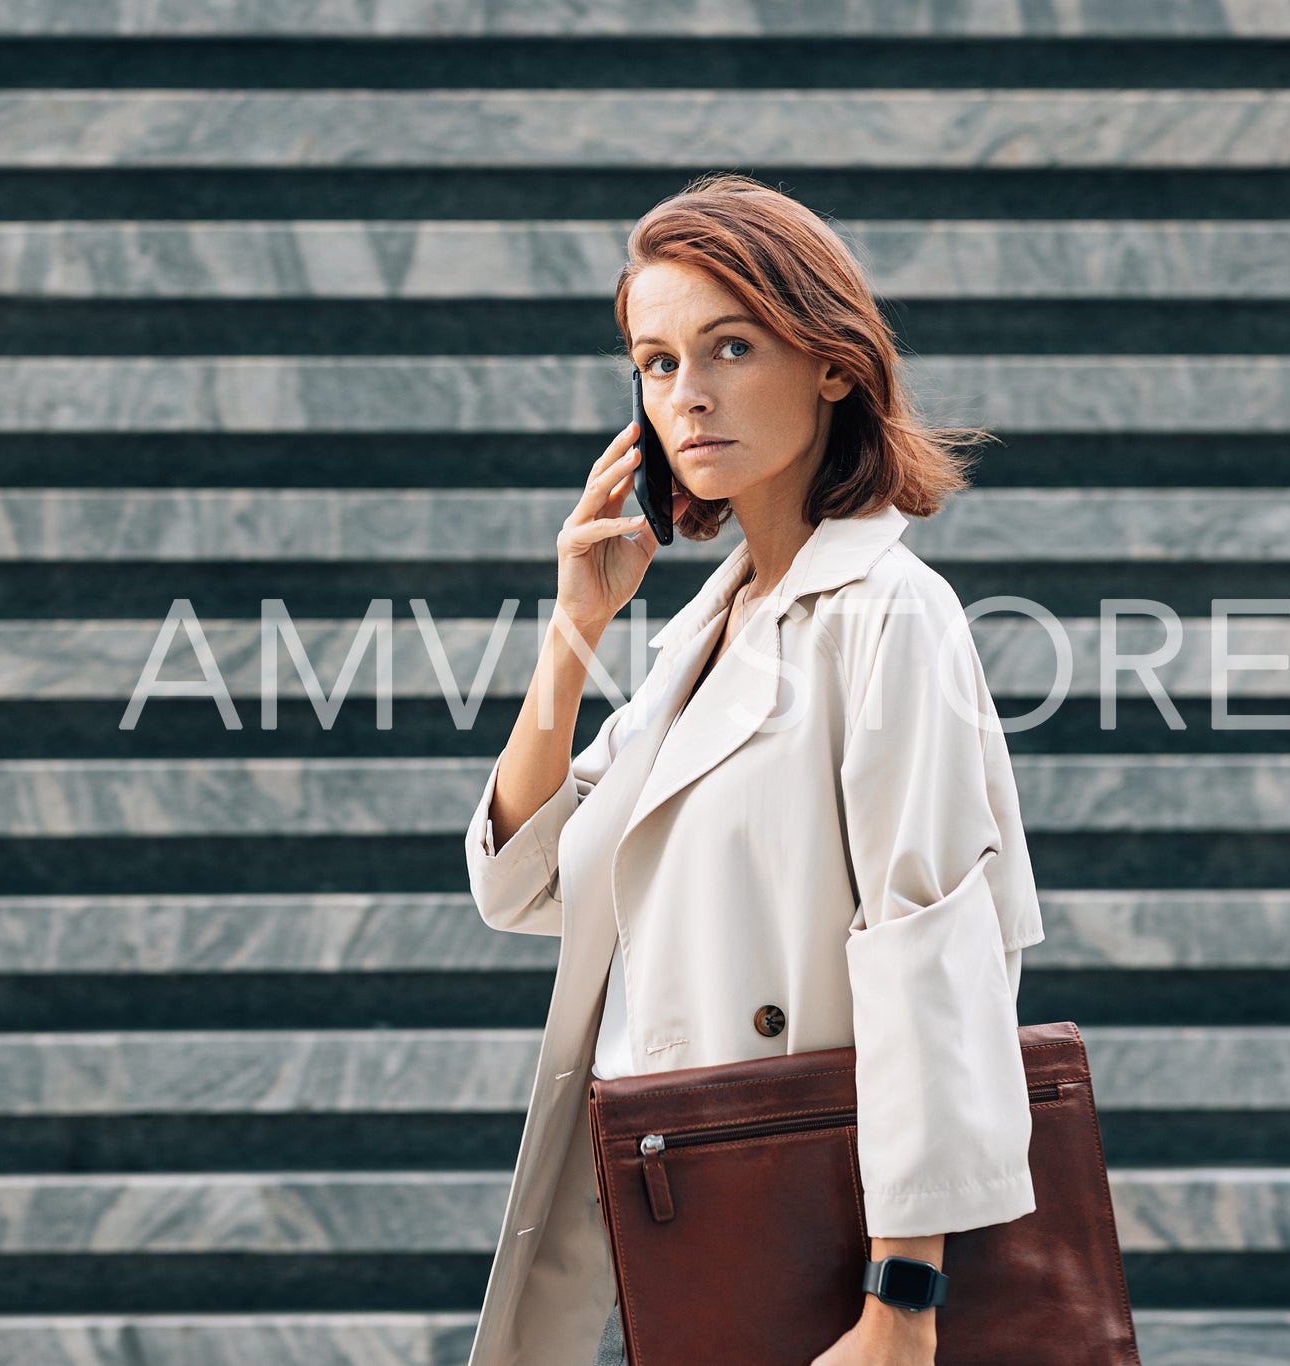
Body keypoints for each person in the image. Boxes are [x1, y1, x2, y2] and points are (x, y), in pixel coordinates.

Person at [463, 173, 1046, 1366]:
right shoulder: (706, 631)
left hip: (816, 1246)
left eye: (729, 346)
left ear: (831, 361)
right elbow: (525, 886)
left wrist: (901, 1302)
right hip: (675, 1221)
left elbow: (933, 958)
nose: (688, 395)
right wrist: (574, 630)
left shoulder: (889, 612)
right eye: (658, 361)